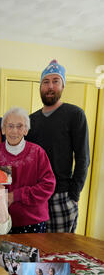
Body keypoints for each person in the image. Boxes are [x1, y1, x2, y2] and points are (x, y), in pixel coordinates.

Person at [27, 60, 90, 232]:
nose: (50, 86)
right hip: (36, 197)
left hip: (62, 196)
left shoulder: (75, 114)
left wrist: (74, 195)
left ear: (62, 85)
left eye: (56, 81)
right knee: (37, 253)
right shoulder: (31, 120)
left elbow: (83, 157)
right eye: (46, 82)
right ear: (40, 86)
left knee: (60, 253)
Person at [0, 107, 56, 233]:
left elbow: (48, 186)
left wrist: (15, 196)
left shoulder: (38, 153)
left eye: (19, 126)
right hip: (3, 223)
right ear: (3, 129)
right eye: (10, 126)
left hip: (33, 221)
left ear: (26, 130)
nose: (14, 131)